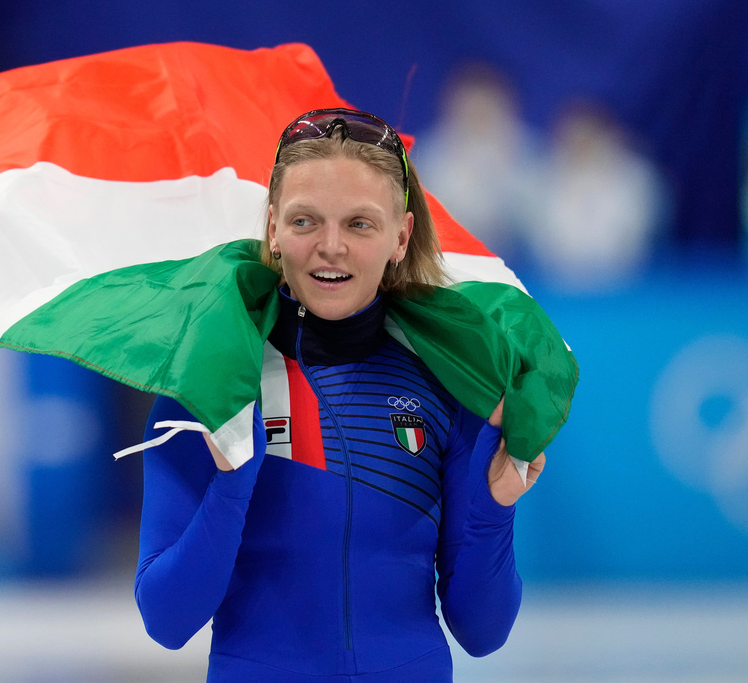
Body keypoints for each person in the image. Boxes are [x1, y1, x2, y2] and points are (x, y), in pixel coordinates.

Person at [134, 108, 546, 682]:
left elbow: (483, 630)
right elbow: (166, 618)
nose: (331, 246)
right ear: (273, 228)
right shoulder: (208, 386)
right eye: (306, 222)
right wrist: (231, 486)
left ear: (401, 236)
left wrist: (494, 510)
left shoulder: (451, 383)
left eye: (359, 224)